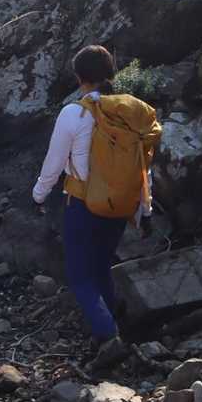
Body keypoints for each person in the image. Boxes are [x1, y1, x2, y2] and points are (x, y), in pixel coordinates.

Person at [32, 45, 161, 367]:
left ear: (79, 77)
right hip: (121, 204)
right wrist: (145, 210)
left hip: (83, 203)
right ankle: (116, 320)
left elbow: (54, 163)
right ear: (111, 72)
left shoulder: (74, 113)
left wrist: (38, 195)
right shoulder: (131, 111)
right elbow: (142, 166)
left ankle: (108, 335)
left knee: (79, 276)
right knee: (102, 263)